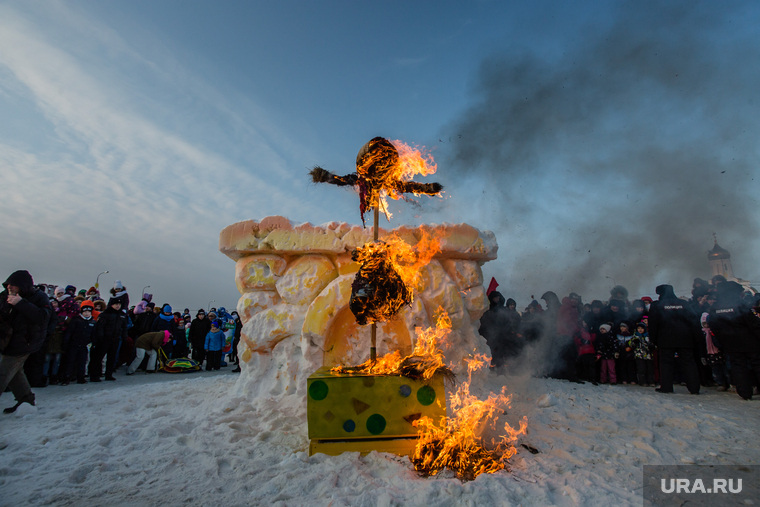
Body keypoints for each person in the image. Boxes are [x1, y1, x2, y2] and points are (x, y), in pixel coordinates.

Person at [0, 270, 53, 413]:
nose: (10, 287)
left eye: (13, 285)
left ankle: (26, 401)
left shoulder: (39, 297)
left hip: (24, 342)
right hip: (6, 341)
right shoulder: (4, 296)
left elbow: (43, 318)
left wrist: (21, 303)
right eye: (8, 284)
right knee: (15, 373)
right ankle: (26, 402)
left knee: (3, 372)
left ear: (23, 286)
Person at [708, 281, 760, 400]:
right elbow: (754, 324)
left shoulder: (715, 308)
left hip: (730, 343)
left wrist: (723, 340)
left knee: (738, 367)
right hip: (750, 342)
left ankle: (745, 392)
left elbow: (713, 326)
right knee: (757, 364)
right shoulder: (740, 305)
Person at [648, 284, 701, 394]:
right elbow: (694, 321)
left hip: (665, 339)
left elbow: (653, 324)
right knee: (689, 363)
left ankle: (666, 387)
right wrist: (697, 337)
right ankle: (694, 388)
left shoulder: (657, 305)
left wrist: (653, 339)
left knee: (666, 363)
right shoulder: (684, 303)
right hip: (686, 338)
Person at [89, 298, 127, 382]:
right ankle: (94, 375)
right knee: (99, 357)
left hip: (116, 338)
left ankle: (108, 374)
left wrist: (124, 337)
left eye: (119, 304)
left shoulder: (122, 315)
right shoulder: (106, 314)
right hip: (105, 339)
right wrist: (100, 337)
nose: (118, 306)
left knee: (111, 357)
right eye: (116, 304)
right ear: (112, 305)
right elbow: (100, 327)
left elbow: (124, 327)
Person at [60, 300, 98, 385]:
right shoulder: (76, 320)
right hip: (74, 344)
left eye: (89, 312)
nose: (87, 313)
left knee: (82, 362)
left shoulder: (92, 322)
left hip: (85, 345)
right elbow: (69, 333)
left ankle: (80, 377)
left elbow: (93, 334)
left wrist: (93, 343)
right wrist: (66, 343)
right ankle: (66, 378)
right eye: (85, 312)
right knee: (70, 361)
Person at [628, 322, 655, 386]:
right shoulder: (635, 336)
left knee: (650, 369)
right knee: (641, 369)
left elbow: (653, 344)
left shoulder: (648, 336)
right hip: (639, 355)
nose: (640, 330)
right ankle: (642, 381)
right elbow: (630, 344)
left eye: (642, 328)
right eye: (639, 328)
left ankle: (651, 381)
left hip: (648, 355)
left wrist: (652, 346)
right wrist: (634, 343)